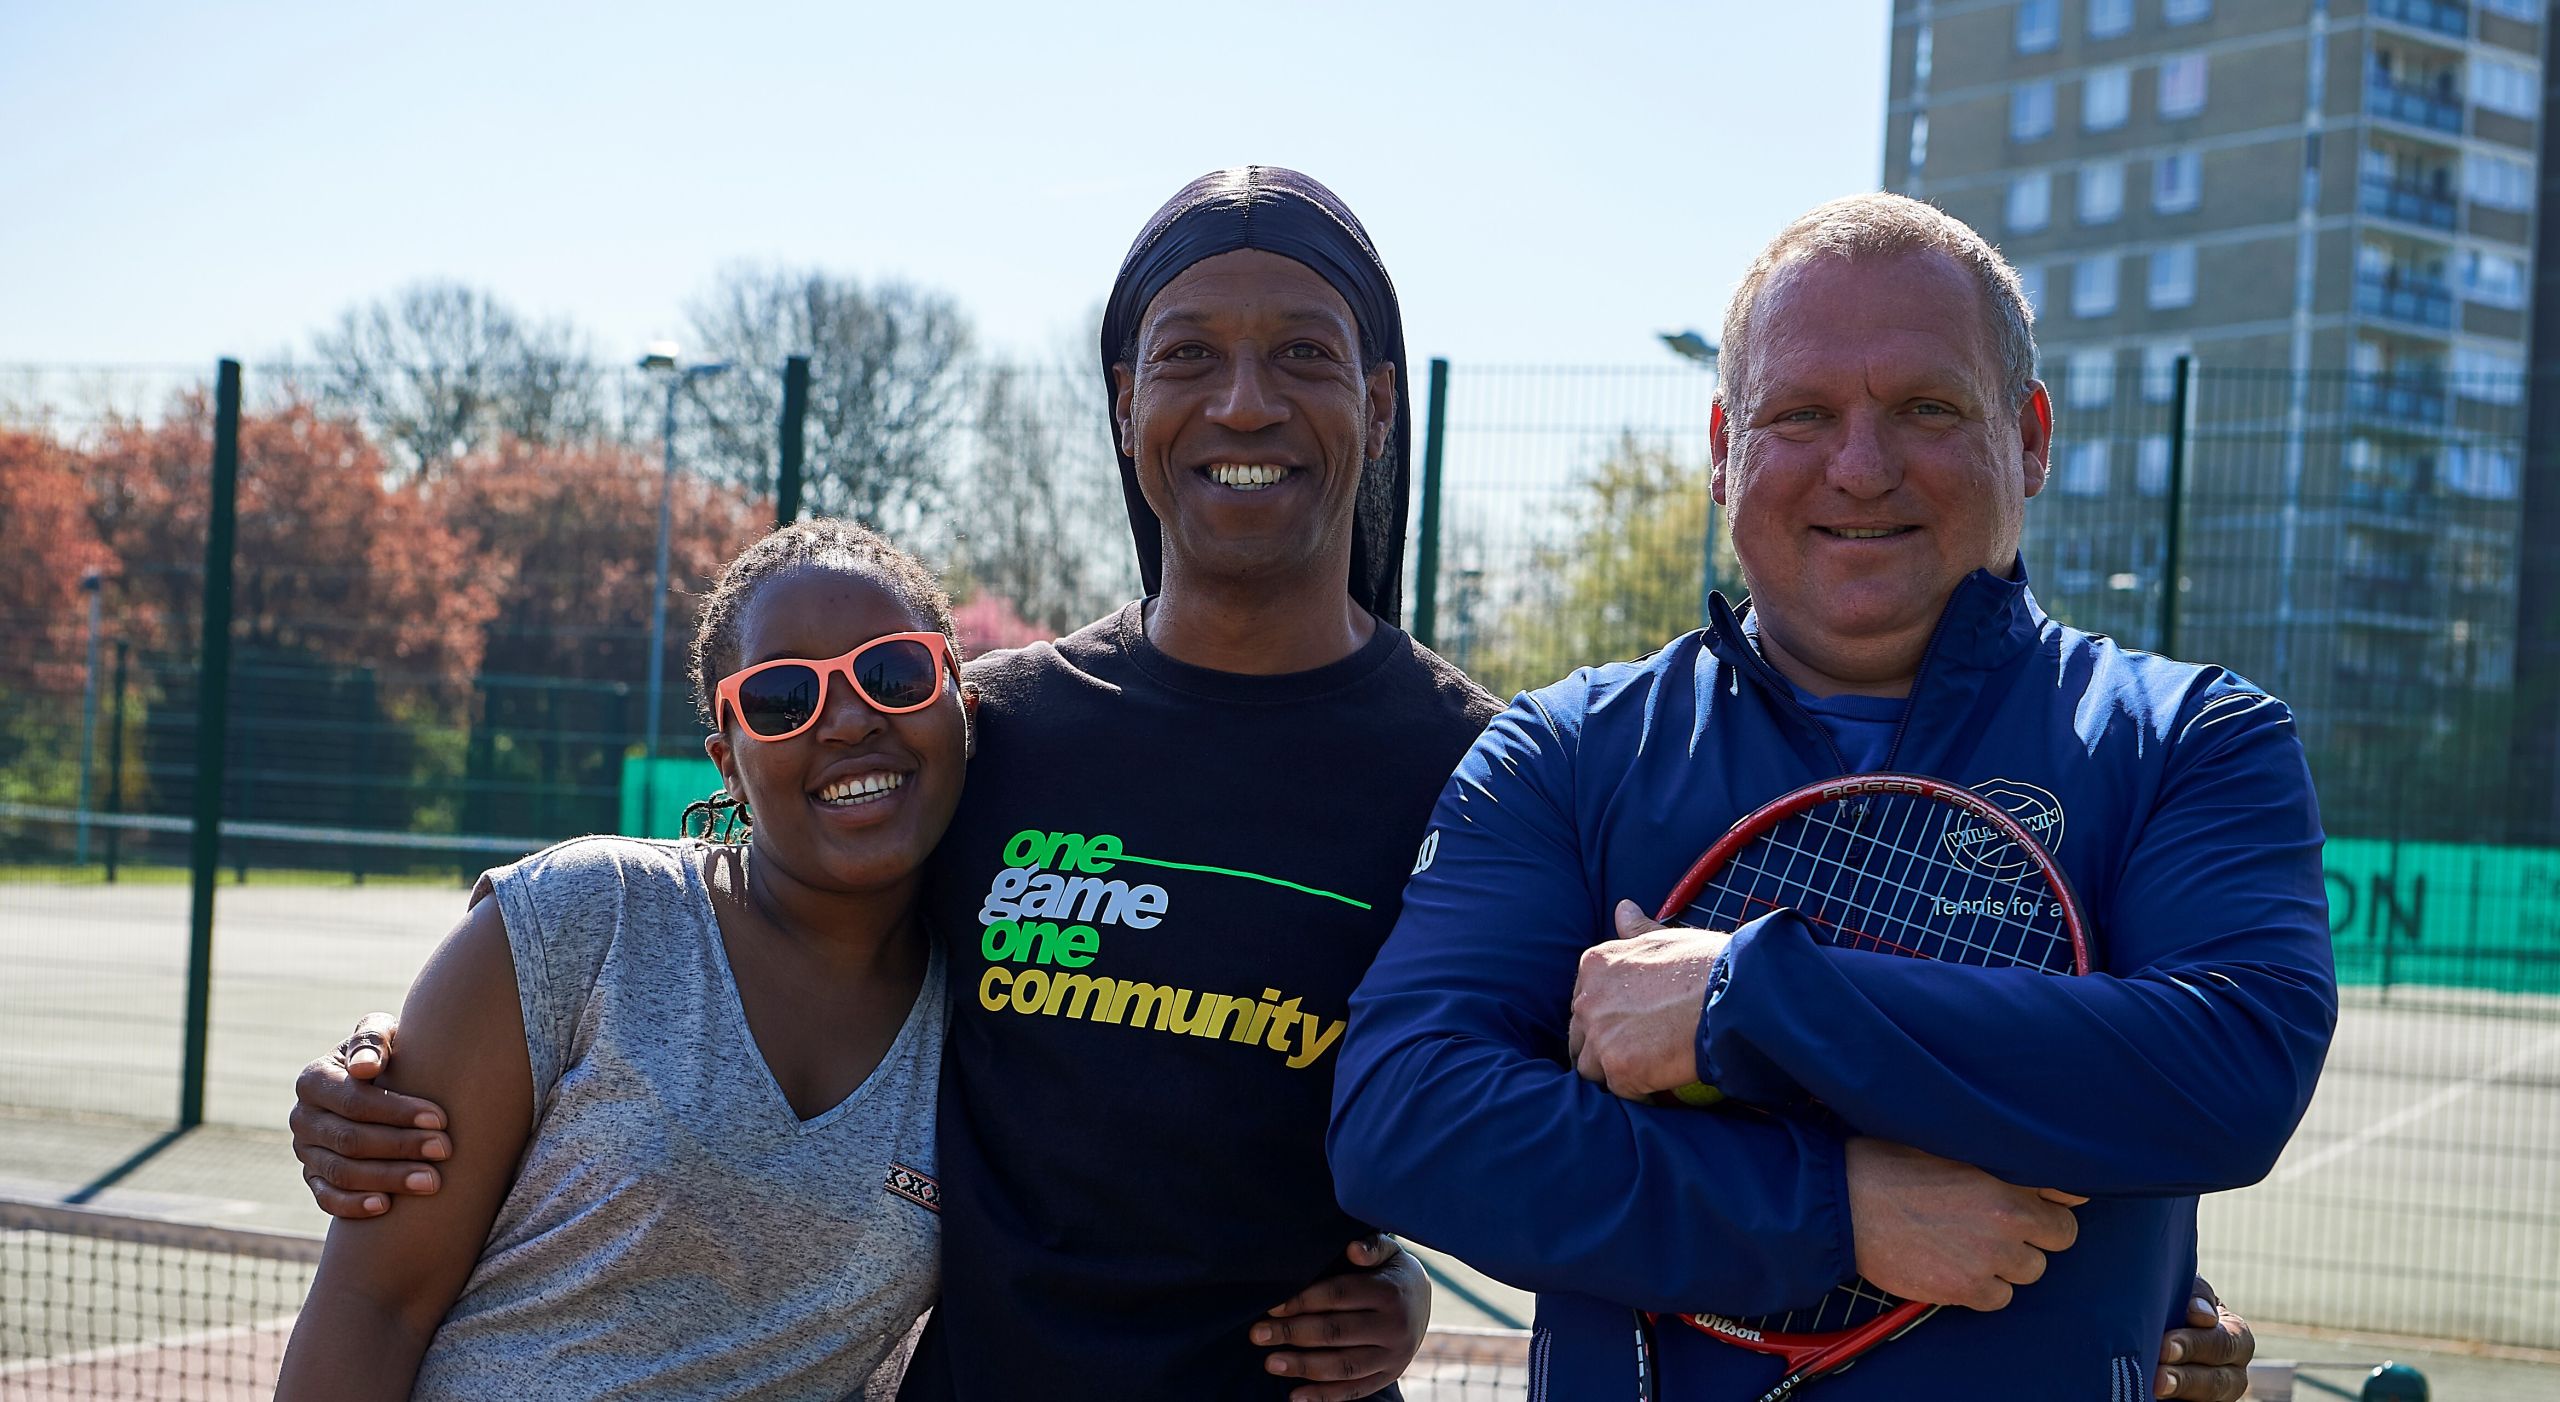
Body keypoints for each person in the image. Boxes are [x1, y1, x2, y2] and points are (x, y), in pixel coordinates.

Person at [287, 172, 2265, 1401]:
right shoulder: (981, 728)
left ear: (1375, 401)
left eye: (1304, 353)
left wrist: (2116, 1292)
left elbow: (1661, 1078)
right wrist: (404, 1077)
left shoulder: (1488, 768)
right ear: (1127, 412)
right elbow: (766, 907)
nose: (1245, 400)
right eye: (1186, 357)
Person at [1328, 193, 2337, 1401]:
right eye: (1800, 414)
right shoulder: (1566, 748)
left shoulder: (2189, 737)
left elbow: (2230, 1071)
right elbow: (1407, 1119)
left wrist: (1741, 1001)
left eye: (1925, 408)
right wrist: (1827, 1213)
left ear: (2027, 437)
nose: (1859, 468)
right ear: (1720, 449)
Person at [277, 521, 965, 1399]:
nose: (850, 718)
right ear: (729, 764)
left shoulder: (1004, 1023)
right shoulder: (584, 917)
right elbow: (374, 1308)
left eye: (894, 673)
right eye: (784, 699)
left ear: (961, 701)